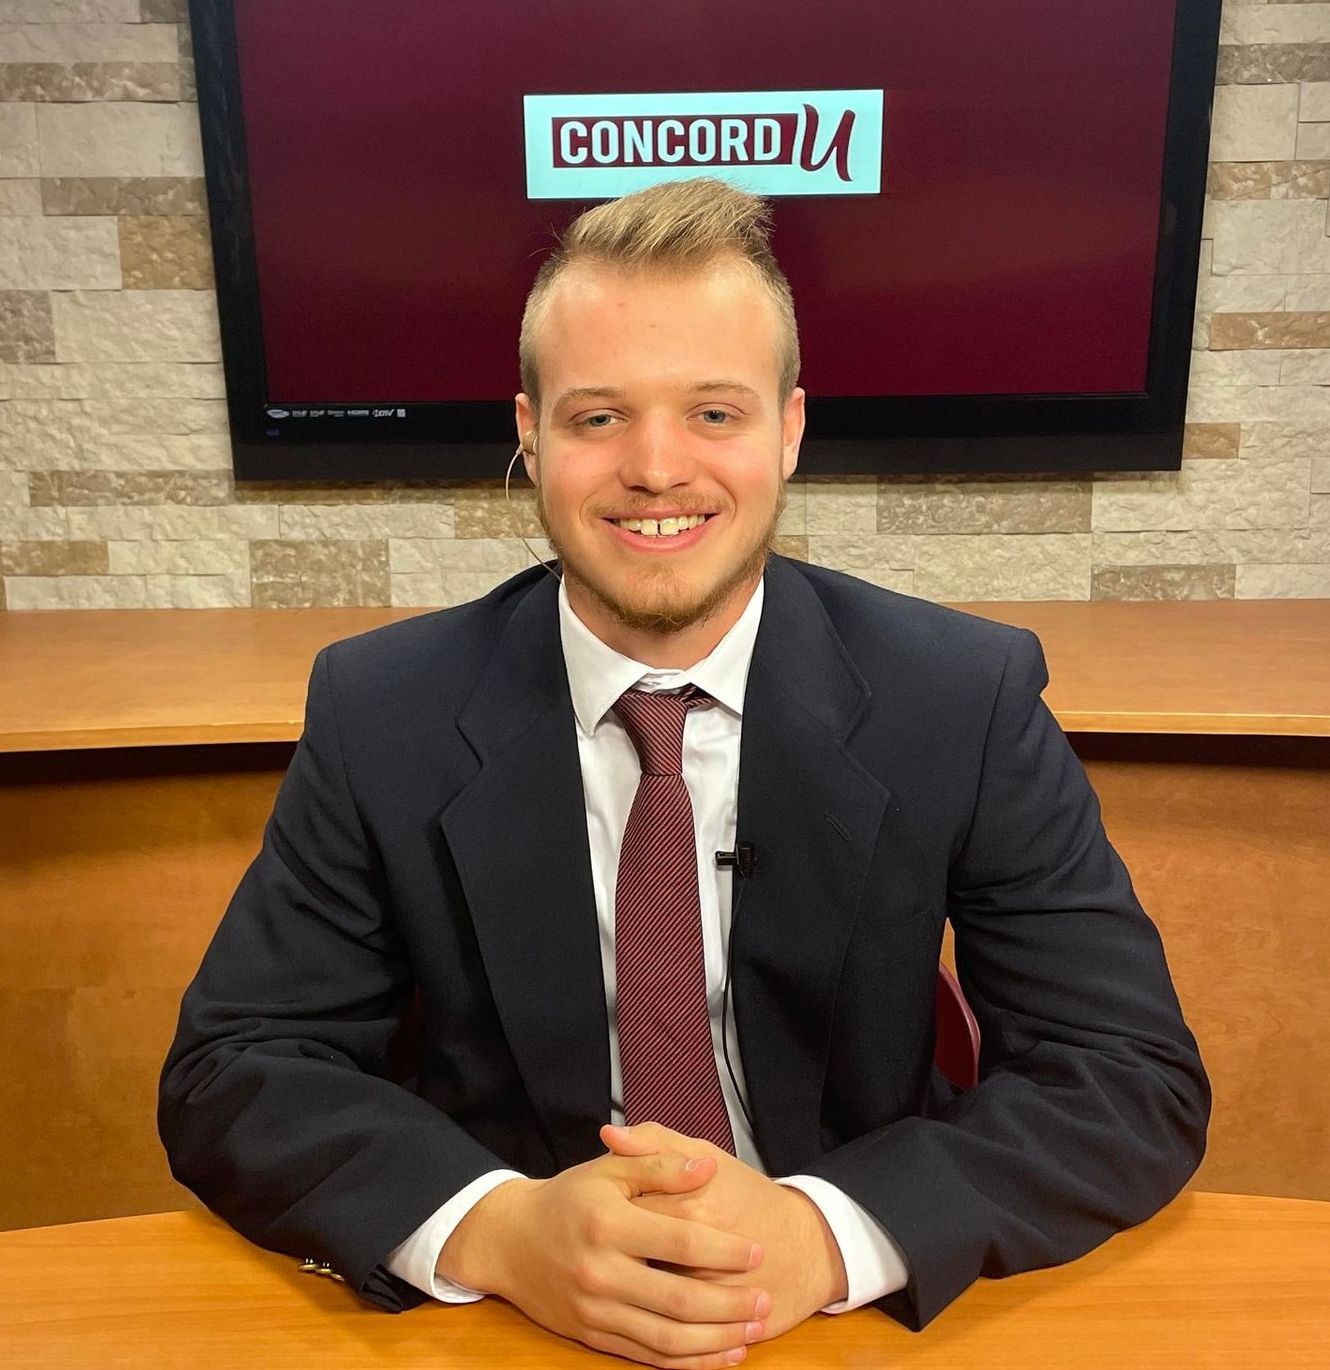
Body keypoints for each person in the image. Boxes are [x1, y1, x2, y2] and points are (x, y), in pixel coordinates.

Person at [159, 177, 1210, 1369]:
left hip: (843, 1320)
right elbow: (233, 1069)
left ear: (788, 429)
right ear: (529, 433)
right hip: (513, 1321)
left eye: (713, 412)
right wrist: (498, 1229)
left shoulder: (960, 697)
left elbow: (1126, 1074)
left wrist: (827, 1234)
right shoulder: (380, 709)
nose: (655, 468)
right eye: (598, 416)